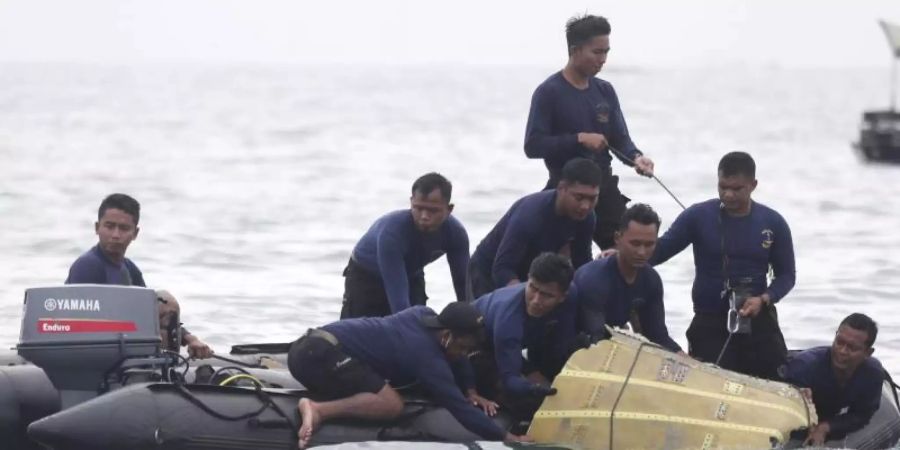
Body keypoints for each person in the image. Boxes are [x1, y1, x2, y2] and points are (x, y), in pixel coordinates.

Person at [288, 302, 529, 449]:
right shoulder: (424, 355)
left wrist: (471, 390)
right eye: (463, 347)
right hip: (316, 356)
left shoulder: (423, 315)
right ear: (446, 336)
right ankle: (318, 410)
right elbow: (458, 408)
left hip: (310, 345)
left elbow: (460, 360)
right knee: (391, 404)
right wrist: (506, 437)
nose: (464, 355)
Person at [650, 152, 795, 379]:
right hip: (709, 320)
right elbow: (657, 252)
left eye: (736, 189)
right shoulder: (697, 216)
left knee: (777, 379)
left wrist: (765, 298)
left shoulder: (773, 222)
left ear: (753, 185)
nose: (728, 195)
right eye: (722, 187)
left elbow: (787, 276)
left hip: (757, 317)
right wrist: (621, 253)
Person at [524, 14, 655, 250]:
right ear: (575, 50)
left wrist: (637, 158)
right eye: (597, 52)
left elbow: (620, 139)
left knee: (627, 250)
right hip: (565, 188)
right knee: (560, 262)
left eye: (606, 52)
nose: (603, 59)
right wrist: (579, 139)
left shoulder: (605, 91)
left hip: (603, 185)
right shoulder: (549, 92)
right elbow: (533, 145)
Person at [65, 193, 212, 359]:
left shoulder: (129, 268)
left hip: (124, 343)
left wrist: (190, 338)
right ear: (97, 228)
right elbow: (79, 322)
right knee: (165, 299)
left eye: (124, 228)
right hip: (93, 352)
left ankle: (166, 368)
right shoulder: (88, 265)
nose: (115, 235)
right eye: (109, 226)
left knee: (162, 302)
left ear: (135, 233)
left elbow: (151, 311)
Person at [468, 158, 601, 299]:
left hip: (532, 275)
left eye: (592, 199)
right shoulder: (530, 214)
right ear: (562, 188)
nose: (585, 206)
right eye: (579, 197)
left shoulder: (587, 217)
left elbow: (582, 262)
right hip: (487, 271)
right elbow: (502, 269)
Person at [341, 173, 469, 318]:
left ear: (449, 209)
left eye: (433, 210)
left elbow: (463, 286)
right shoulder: (392, 232)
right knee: (375, 328)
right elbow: (400, 307)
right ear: (411, 202)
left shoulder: (456, 233)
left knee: (419, 325)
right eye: (419, 208)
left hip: (411, 272)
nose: (424, 216)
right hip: (366, 275)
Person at [468, 253, 576, 418]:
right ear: (528, 278)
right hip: (475, 348)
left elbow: (561, 344)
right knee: (530, 401)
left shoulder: (573, 297)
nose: (536, 300)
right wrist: (534, 389)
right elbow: (510, 379)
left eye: (547, 295)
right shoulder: (509, 318)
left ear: (563, 296)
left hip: (514, 346)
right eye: (533, 288)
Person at [570, 204, 682, 353]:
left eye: (649, 244)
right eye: (635, 244)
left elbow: (658, 337)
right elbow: (596, 340)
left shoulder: (651, 280)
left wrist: (691, 364)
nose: (642, 252)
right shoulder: (594, 279)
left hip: (610, 342)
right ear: (618, 238)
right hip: (577, 346)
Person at [782, 314, 884, 445]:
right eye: (839, 342)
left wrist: (826, 427)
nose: (842, 351)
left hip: (827, 415)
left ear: (868, 353)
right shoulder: (805, 366)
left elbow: (862, 414)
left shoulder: (872, 373)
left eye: (852, 348)